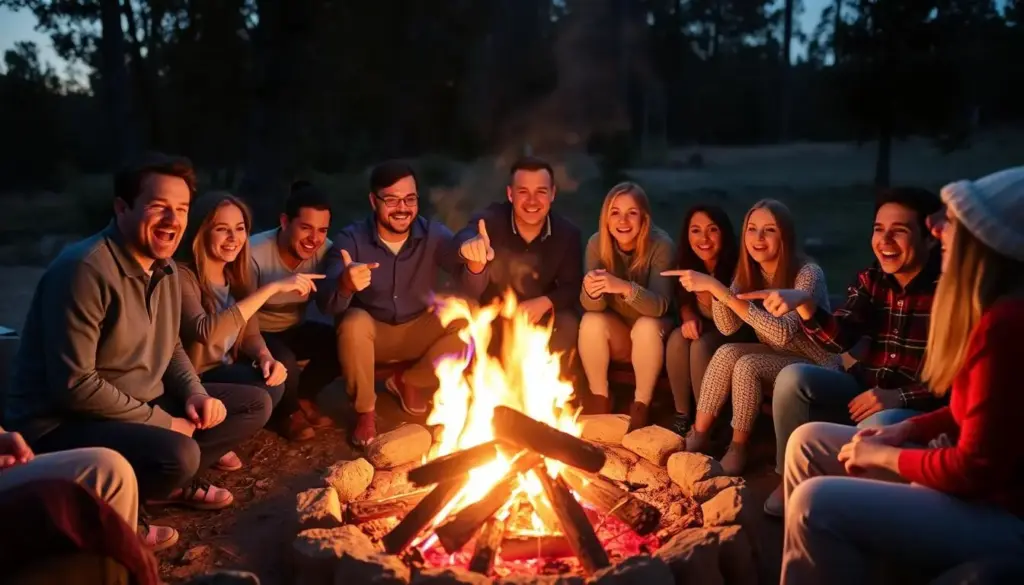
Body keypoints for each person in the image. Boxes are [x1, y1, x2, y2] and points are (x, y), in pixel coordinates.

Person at [779, 167, 1024, 585]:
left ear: (986, 245)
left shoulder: (1004, 325)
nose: (940, 228)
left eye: (954, 223)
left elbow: (974, 467)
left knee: (814, 503)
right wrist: (908, 430)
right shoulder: (981, 309)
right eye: (878, 229)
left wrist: (888, 448)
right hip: (931, 441)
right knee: (807, 441)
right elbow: (970, 410)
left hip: (1001, 510)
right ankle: (823, 558)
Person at [2, 152, 272, 513]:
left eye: (181, 208)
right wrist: (165, 422)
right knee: (181, 451)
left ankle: (165, 483)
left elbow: (170, 344)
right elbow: (76, 387)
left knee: (254, 403)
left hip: (136, 399)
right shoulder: (84, 270)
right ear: (122, 208)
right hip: (62, 422)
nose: (172, 220)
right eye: (158, 206)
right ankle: (119, 504)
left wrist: (194, 393)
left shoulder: (166, 269)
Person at [746, 188, 945, 517]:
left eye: (900, 231)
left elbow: (960, 379)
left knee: (879, 423)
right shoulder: (872, 280)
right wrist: (807, 305)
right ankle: (788, 478)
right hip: (861, 388)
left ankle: (845, 501)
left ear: (930, 239)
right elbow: (840, 340)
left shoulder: (947, 292)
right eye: (879, 229)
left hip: (914, 408)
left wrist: (902, 397)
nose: (885, 240)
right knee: (793, 377)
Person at [317, 160, 490, 446]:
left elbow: (470, 288)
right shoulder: (352, 239)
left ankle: (411, 380)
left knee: (468, 316)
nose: (402, 208)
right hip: (374, 333)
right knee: (353, 322)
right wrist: (345, 283)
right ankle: (365, 412)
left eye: (409, 199)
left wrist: (474, 264)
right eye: (392, 199)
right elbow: (327, 304)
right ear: (374, 201)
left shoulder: (432, 234)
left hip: (417, 328)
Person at [664, 199, 839, 476]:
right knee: (727, 352)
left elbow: (781, 334)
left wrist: (717, 290)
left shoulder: (807, 273)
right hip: (781, 355)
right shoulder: (748, 272)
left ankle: (738, 447)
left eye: (769, 230)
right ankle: (698, 435)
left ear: (784, 235)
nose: (758, 238)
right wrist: (720, 291)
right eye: (752, 229)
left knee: (748, 365)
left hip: (816, 362)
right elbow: (726, 327)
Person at [179, 192, 327, 449]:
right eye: (222, 229)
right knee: (261, 400)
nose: (233, 239)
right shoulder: (183, 276)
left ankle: (216, 436)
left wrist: (264, 357)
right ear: (202, 232)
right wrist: (270, 289)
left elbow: (249, 333)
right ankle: (200, 444)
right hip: (192, 378)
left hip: (223, 368)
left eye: (239, 229)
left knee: (274, 384)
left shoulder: (235, 273)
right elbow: (205, 331)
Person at [455, 156, 584, 363]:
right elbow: (464, 237)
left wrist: (545, 302)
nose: (532, 201)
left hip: (542, 317)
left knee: (568, 324)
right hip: (494, 315)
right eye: (523, 192)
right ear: (510, 194)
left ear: (552, 194)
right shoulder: (490, 221)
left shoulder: (567, 234)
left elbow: (572, 286)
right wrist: (470, 246)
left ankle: (551, 393)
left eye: (541, 192)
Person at [577, 182, 674, 430]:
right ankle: (600, 398)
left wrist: (623, 287)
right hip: (620, 334)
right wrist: (590, 290)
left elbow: (660, 306)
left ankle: (641, 405)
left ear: (644, 218)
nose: (623, 220)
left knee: (645, 325)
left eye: (632, 213)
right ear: (606, 218)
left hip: (656, 334)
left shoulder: (661, 245)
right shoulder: (597, 244)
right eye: (615, 212)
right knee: (591, 322)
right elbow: (593, 307)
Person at [248, 181, 338, 436]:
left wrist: (347, 280)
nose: (314, 239)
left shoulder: (327, 251)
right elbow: (241, 315)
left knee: (339, 341)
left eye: (322, 230)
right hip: (255, 332)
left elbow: (334, 293)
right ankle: (287, 413)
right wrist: (260, 351)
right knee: (283, 358)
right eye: (306, 228)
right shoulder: (254, 252)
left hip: (293, 327)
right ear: (286, 222)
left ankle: (304, 395)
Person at [0, 425, 177, 552]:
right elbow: (80, 388)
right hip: (55, 425)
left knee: (111, 470)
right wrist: (164, 421)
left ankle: (120, 566)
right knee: (109, 470)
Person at [663, 204, 751, 437]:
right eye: (696, 230)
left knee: (700, 346)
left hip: (737, 330)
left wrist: (710, 291)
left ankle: (708, 425)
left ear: (723, 233)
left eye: (712, 230)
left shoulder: (737, 266)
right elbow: (684, 301)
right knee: (677, 338)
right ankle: (682, 415)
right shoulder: (687, 262)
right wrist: (689, 317)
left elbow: (734, 320)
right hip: (708, 327)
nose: (704, 238)